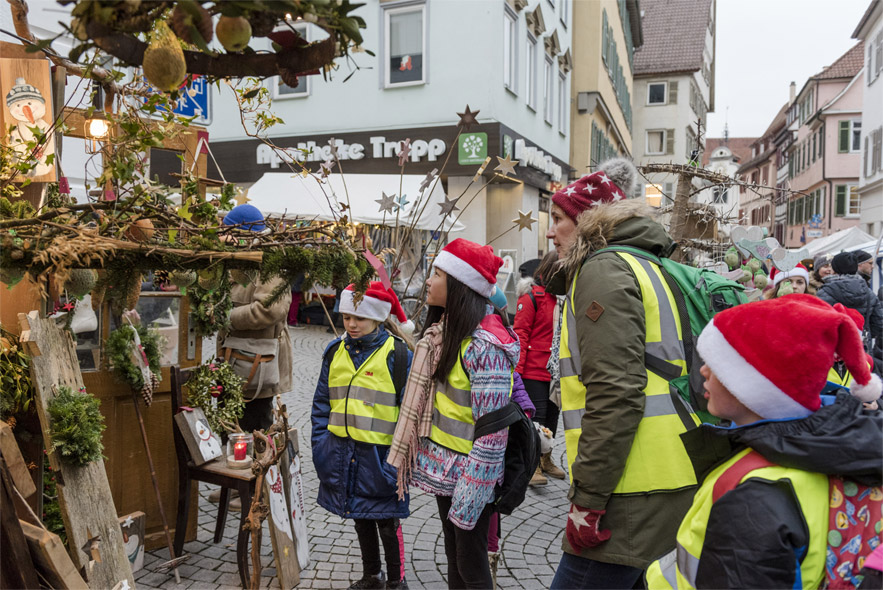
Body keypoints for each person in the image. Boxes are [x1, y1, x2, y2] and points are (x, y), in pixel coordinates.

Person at [645, 294, 882, 589]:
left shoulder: (755, 497)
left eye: (720, 364)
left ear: (758, 385)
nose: (703, 371)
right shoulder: (831, 447)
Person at [546, 159, 700, 590]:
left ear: (588, 222)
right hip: (664, 476)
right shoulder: (644, 264)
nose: (550, 231)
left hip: (630, 490)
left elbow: (616, 393)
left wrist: (588, 500)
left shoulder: (603, 270)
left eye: (558, 219)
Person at [387, 238, 517, 589]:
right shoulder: (443, 336)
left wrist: (473, 491)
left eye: (437, 274)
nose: (429, 281)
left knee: (471, 565)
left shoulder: (484, 347)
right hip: (449, 469)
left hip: (474, 474)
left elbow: (492, 431)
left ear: (460, 286)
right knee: (454, 556)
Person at [311, 282, 415, 590]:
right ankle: (372, 576)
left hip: (381, 458)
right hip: (343, 452)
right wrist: (321, 446)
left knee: (387, 520)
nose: (352, 324)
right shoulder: (335, 352)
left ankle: (397, 581)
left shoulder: (397, 354)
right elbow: (321, 404)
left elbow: (410, 414)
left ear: (378, 318)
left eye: (360, 318)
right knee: (360, 515)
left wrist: (397, 462)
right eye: (347, 317)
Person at [222, 204, 293, 434]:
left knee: (253, 432)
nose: (222, 238)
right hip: (233, 363)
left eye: (228, 233)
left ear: (243, 234)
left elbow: (269, 309)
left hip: (257, 366)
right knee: (229, 429)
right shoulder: (238, 259)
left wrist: (226, 317)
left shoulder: (268, 263)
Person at [513, 252, 565, 486]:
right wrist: (518, 373)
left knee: (553, 418)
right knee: (538, 419)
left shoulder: (563, 299)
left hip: (556, 371)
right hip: (534, 369)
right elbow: (521, 334)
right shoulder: (532, 297)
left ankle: (546, 458)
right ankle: (532, 464)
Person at [817, 252, 883, 353]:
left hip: (835, 350)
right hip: (863, 348)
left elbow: (819, 325)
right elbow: (879, 323)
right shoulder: (869, 293)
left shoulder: (824, 292)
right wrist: (866, 333)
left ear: (834, 269)